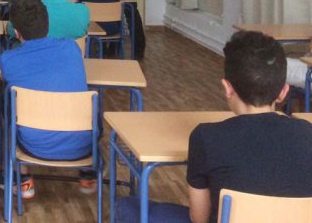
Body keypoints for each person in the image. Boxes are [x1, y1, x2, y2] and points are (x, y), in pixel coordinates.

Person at [115, 31, 312, 223]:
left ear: (227, 88)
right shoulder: (307, 132)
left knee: (127, 207)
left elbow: (198, 218)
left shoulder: (206, 136)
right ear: (283, 92)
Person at [0, 0, 91, 199]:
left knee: (7, 103)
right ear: (47, 25)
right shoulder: (72, 49)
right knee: (90, 101)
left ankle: (23, 181)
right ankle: (88, 173)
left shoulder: (8, 59)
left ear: (16, 32)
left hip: (33, 144)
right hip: (83, 144)